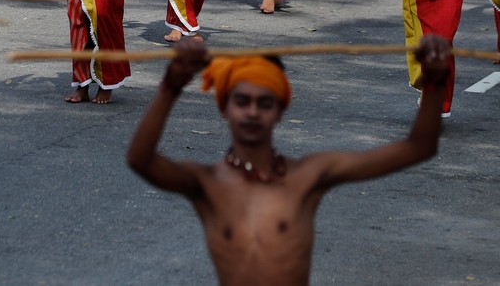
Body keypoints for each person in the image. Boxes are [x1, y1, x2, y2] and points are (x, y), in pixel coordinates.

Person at [126, 35, 452, 286]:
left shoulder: (308, 177)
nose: (253, 112)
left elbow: (419, 147)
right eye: (243, 101)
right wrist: (172, 83)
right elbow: (140, 160)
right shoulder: (207, 184)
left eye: (264, 103)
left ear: (280, 111)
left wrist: (434, 81)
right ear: (225, 108)